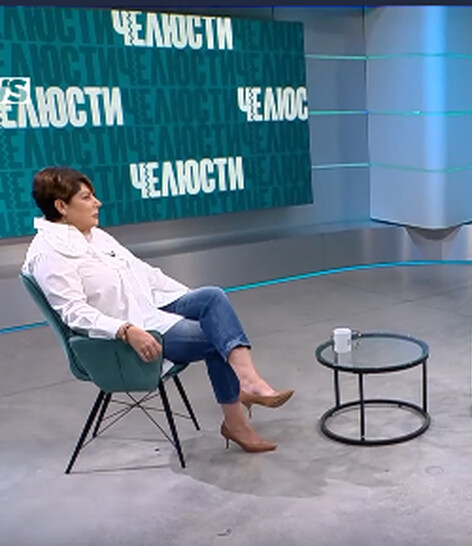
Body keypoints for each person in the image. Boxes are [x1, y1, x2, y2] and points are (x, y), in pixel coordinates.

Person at [22, 167, 295, 454]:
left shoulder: (95, 236)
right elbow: (73, 312)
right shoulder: (49, 254)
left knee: (212, 297)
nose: (97, 203)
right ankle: (237, 420)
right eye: (87, 197)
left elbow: (145, 272)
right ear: (61, 206)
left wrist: (190, 299)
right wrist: (126, 330)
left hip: (148, 307)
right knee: (216, 339)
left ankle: (247, 380)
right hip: (126, 337)